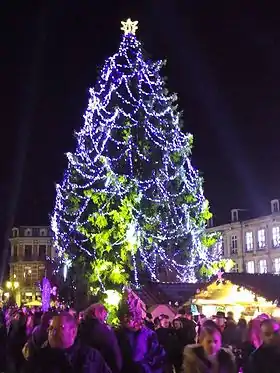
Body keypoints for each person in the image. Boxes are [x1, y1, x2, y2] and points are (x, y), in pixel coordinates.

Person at [24, 313, 111, 373]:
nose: (52, 333)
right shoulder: (39, 358)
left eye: (58, 328)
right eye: (50, 328)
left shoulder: (91, 356)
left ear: (73, 332)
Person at [79, 303, 122, 373]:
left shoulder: (80, 328)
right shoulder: (104, 331)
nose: (105, 319)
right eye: (105, 316)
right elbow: (114, 353)